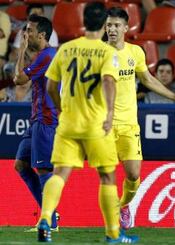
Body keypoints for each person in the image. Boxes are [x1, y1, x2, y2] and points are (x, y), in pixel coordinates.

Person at [37, 2, 138, 243]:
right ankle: (113, 234)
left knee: (59, 173)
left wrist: (60, 109)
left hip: (68, 123)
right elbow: (109, 82)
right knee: (107, 176)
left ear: (84, 21)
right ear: (104, 24)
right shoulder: (107, 53)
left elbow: (51, 85)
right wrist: (110, 114)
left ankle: (44, 218)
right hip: (95, 124)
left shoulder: (66, 49)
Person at [105, 7, 175, 230]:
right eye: (108, 25)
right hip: (105, 125)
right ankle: (111, 220)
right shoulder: (98, 53)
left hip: (129, 124)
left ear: (125, 27)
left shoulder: (136, 53)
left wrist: (174, 96)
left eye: (116, 25)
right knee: (107, 174)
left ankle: (123, 206)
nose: (112, 29)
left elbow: (148, 80)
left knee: (133, 175)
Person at [12, 15, 59, 232]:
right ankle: (49, 214)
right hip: (36, 120)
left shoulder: (47, 56)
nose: (25, 34)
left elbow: (19, 79)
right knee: (21, 165)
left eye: (29, 31)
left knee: (42, 169)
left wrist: (21, 50)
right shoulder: (45, 55)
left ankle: (50, 221)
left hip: (46, 120)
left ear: (41, 35)